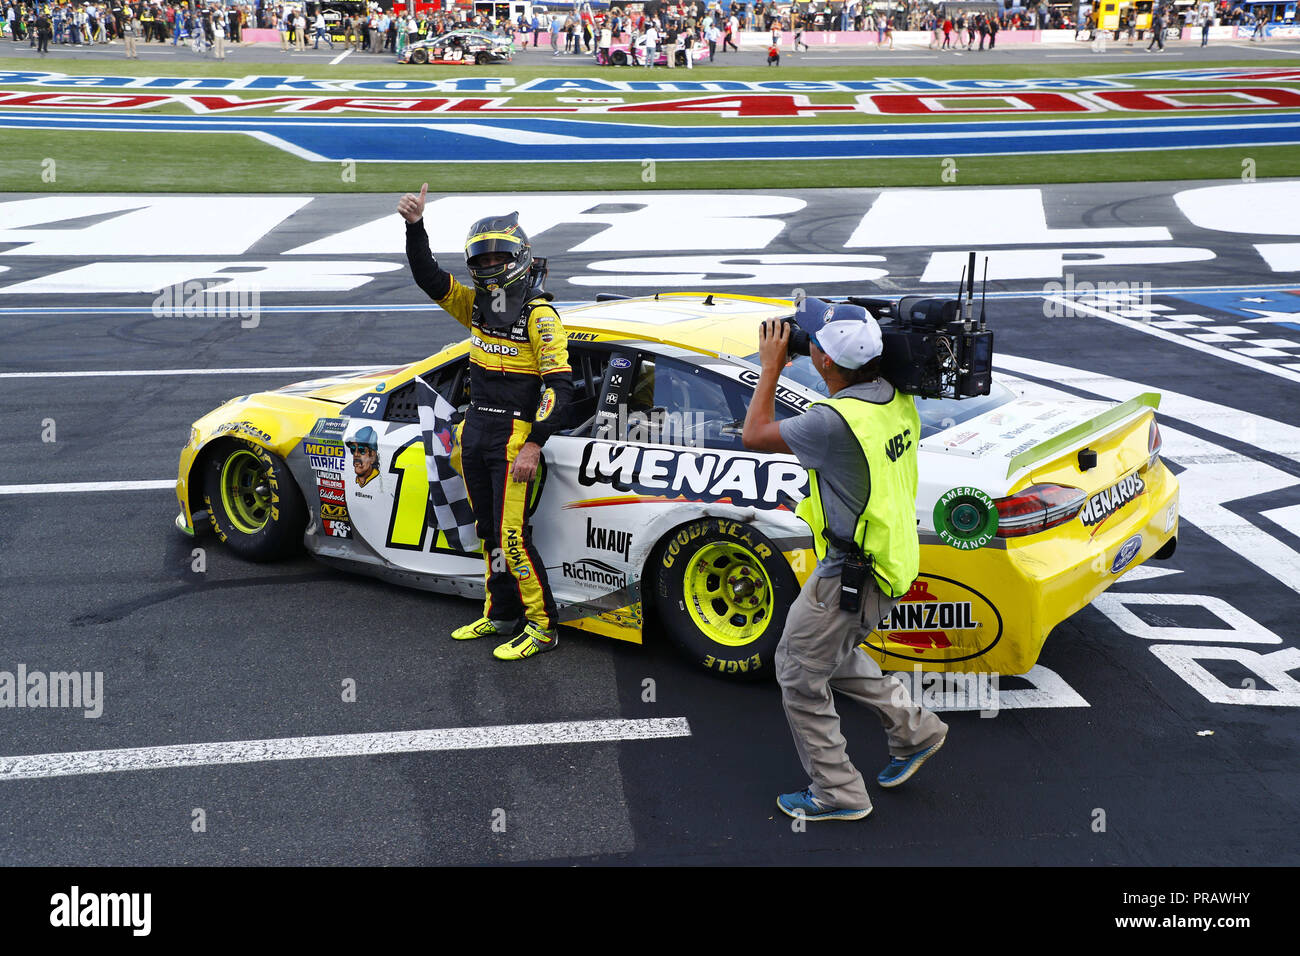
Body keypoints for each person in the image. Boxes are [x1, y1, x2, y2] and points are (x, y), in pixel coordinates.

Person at [741, 301, 948, 822]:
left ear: (826, 363)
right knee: (830, 655)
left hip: (847, 578)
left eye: (812, 342)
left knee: (797, 673)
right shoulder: (894, 400)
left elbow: (754, 435)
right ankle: (915, 729)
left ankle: (838, 793)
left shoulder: (831, 423)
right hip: (888, 564)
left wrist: (770, 368)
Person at [399, 186, 573, 662]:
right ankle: (501, 612)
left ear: (519, 258)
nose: (489, 263)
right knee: (488, 532)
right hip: (475, 429)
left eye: (498, 255)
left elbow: (561, 387)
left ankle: (542, 626)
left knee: (514, 538)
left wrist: (535, 443)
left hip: (515, 435)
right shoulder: (475, 305)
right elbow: (429, 277)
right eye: (482, 256)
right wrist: (415, 227)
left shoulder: (540, 317)